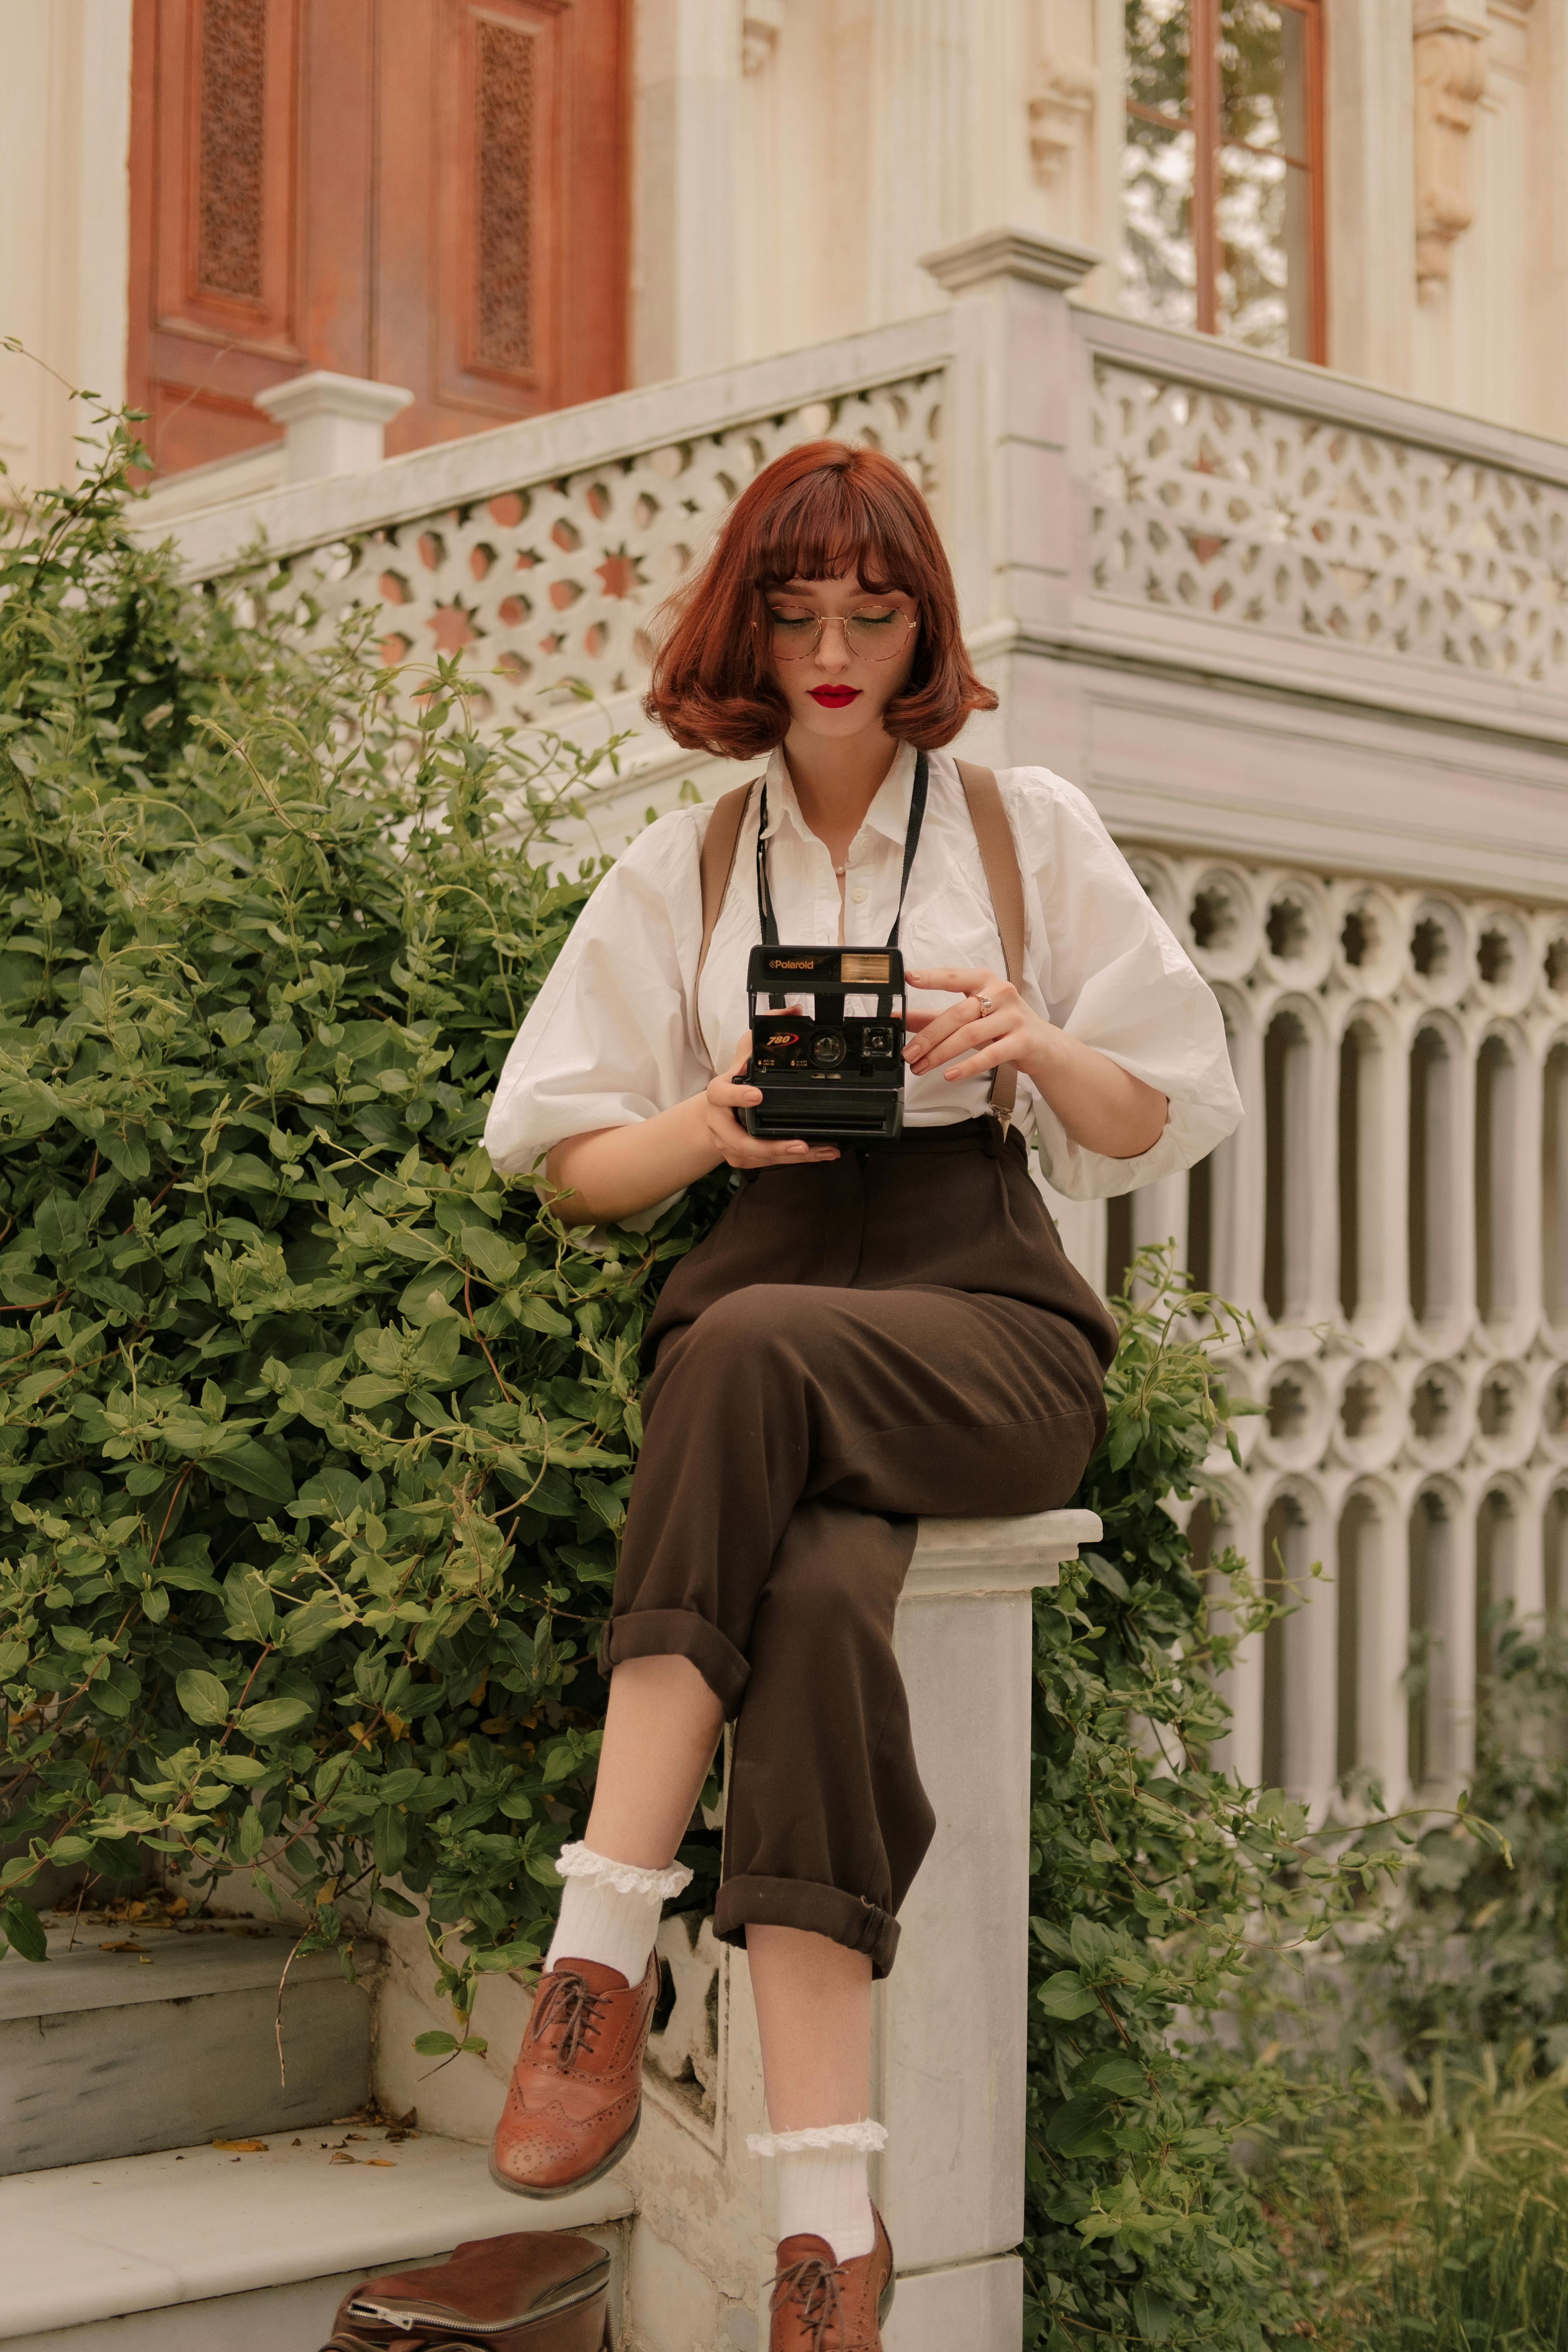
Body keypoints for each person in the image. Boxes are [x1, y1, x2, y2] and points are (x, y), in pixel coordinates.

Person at [481, 441, 1242, 2351]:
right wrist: (711, 1115)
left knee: (735, 1354)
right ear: (751, 626)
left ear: (923, 627)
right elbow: (565, 1157)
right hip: (768, 1250)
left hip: (976, 1294)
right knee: (813, 1600)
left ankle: (596, 1937)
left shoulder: (1019, 828)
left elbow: (1163, 1115)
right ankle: (835, 2227)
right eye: (797, 610)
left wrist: (1028, 1039)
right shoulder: (693, 861)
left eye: (872, 610)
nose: (832, 648)